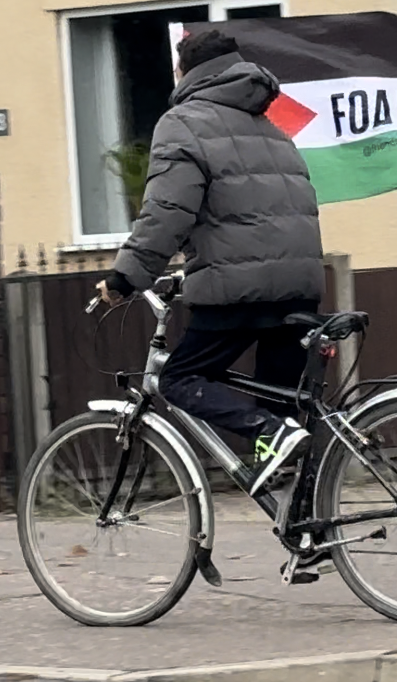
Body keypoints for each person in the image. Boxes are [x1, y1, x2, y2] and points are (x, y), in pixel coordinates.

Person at [96, 27, 325, 497]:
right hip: (298, 286)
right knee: (279, 421)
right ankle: (307, 534)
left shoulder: (184, 122)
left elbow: (168, 211)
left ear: (185, 71)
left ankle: (273, 438)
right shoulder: (270, 127)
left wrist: (126, 276)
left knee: (178, 378)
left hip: (244, 288)